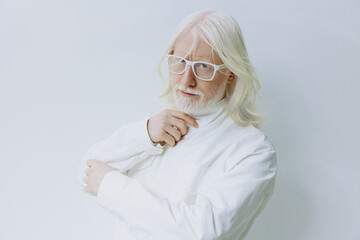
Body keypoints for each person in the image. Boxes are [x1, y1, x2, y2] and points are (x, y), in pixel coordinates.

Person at [79, 9, 277, 240]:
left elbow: (199, 232)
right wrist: (145, 134)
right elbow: (86, 172)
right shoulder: (154, 129)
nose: (186, 80)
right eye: (181, 61)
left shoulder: (253, 150)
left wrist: (110, 186)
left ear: (230, 72)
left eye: (204, 67)